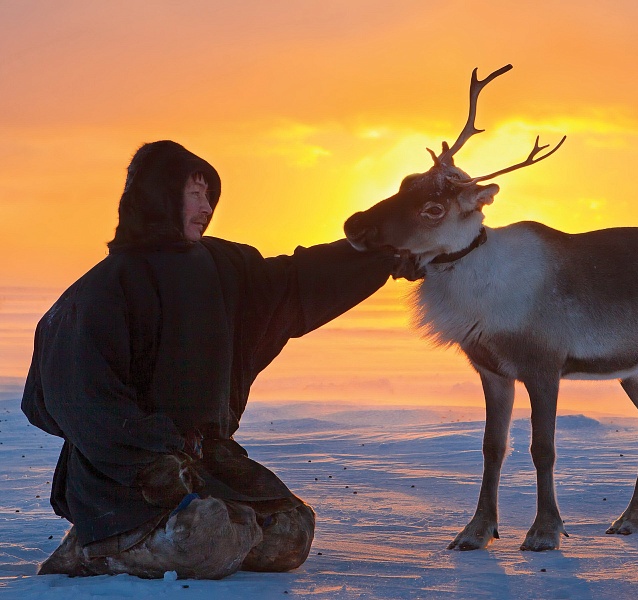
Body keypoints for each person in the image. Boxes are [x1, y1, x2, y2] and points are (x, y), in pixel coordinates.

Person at [21, 140, 418, 579]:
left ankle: (183, 536)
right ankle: (94, 549)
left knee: (291, 534)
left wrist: (384, 252)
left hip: (205, 457)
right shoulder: (101, 289)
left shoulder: (225, 265)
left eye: (209, 195)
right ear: (159, 195)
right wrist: (153, 460)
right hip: (122, 473)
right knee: (203, 538)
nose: (206, 206)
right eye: (194, 194)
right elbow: (74, 399)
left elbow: (294, 283)